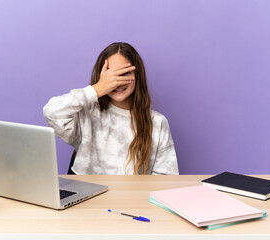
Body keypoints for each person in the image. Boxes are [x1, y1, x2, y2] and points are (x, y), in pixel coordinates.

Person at [43, 42, 178, 175]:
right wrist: (98, 88)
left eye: (124, 73)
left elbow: (166, 178)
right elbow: (51, 112)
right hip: (87, 193)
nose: (117, 82)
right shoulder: (88, 113)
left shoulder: (157, 122)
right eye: (111, 76)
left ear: (137, 76)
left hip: (132, 197)